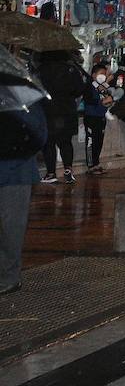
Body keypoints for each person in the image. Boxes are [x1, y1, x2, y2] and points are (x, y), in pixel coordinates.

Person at [0, 104, 46, 295]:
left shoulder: (21, 100)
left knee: (11, 227)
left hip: (15, 172)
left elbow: (39, 133)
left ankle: (8, 278)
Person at [36, 51, 82, 184]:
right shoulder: (71, 69)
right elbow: (79, 89)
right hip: (67, 110)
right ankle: (68, 170)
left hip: (48, 110)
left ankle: (51, 173)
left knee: (49, 143)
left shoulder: (41, 70)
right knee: (65, 142)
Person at [83, 62, 114, 175]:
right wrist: (101, 101)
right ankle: (91, 165)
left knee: (99, 140)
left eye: (104, 74)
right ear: (94, 75)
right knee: (91, 141)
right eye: (101, 74)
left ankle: (96, 162)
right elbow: (88, 99)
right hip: (91, 117)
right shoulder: (89, 86)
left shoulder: (104, 87)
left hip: (101, 117)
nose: (103, 76)